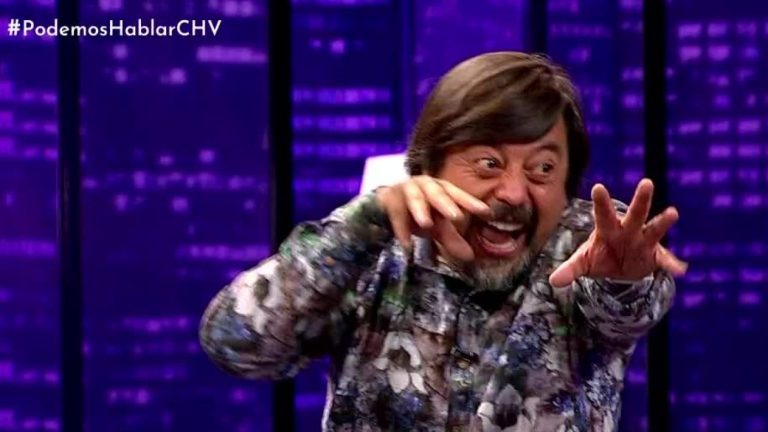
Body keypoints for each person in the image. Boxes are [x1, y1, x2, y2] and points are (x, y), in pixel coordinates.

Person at [199, 51, 687, 431]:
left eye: (543, 169)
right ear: (428, 166)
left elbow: (627, 306)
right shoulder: (372, 252)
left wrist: (626, 279)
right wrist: (364, 223)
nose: (514, 193)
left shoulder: (586, 245)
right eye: (488, 164)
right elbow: (236, 345)